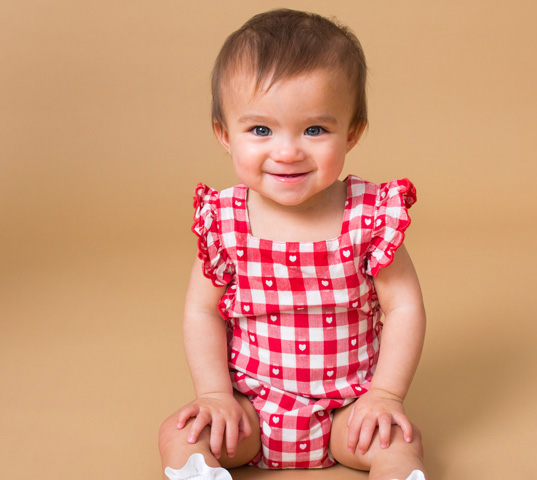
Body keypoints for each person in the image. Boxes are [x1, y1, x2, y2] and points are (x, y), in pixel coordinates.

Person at [158, 9, 427, 480]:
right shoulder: (225, 221)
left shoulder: (370, 216)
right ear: (225, 134)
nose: (287, 152)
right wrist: (215, 395)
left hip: (348, 409)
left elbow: (403, 306)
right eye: (260, 130)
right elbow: (202, 311)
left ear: (352, 133)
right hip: (249, 408)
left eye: (315, 130)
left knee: (399, 442)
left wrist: (385, 395)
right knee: (178, 433)